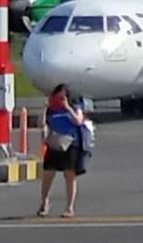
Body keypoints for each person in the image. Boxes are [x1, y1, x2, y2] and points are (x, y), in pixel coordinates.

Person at [37, 84, 84, 218]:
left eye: (62, 97)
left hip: (70, 144)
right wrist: (45, 108)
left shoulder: (74, 107)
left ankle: (69, 207)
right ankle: (44, 202)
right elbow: (41, 123)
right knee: (48, 174)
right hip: (54, 143)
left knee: (69, 175)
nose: (60, 99)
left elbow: (78, 121)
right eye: (58, 96)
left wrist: (67, 107)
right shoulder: (52, 110)